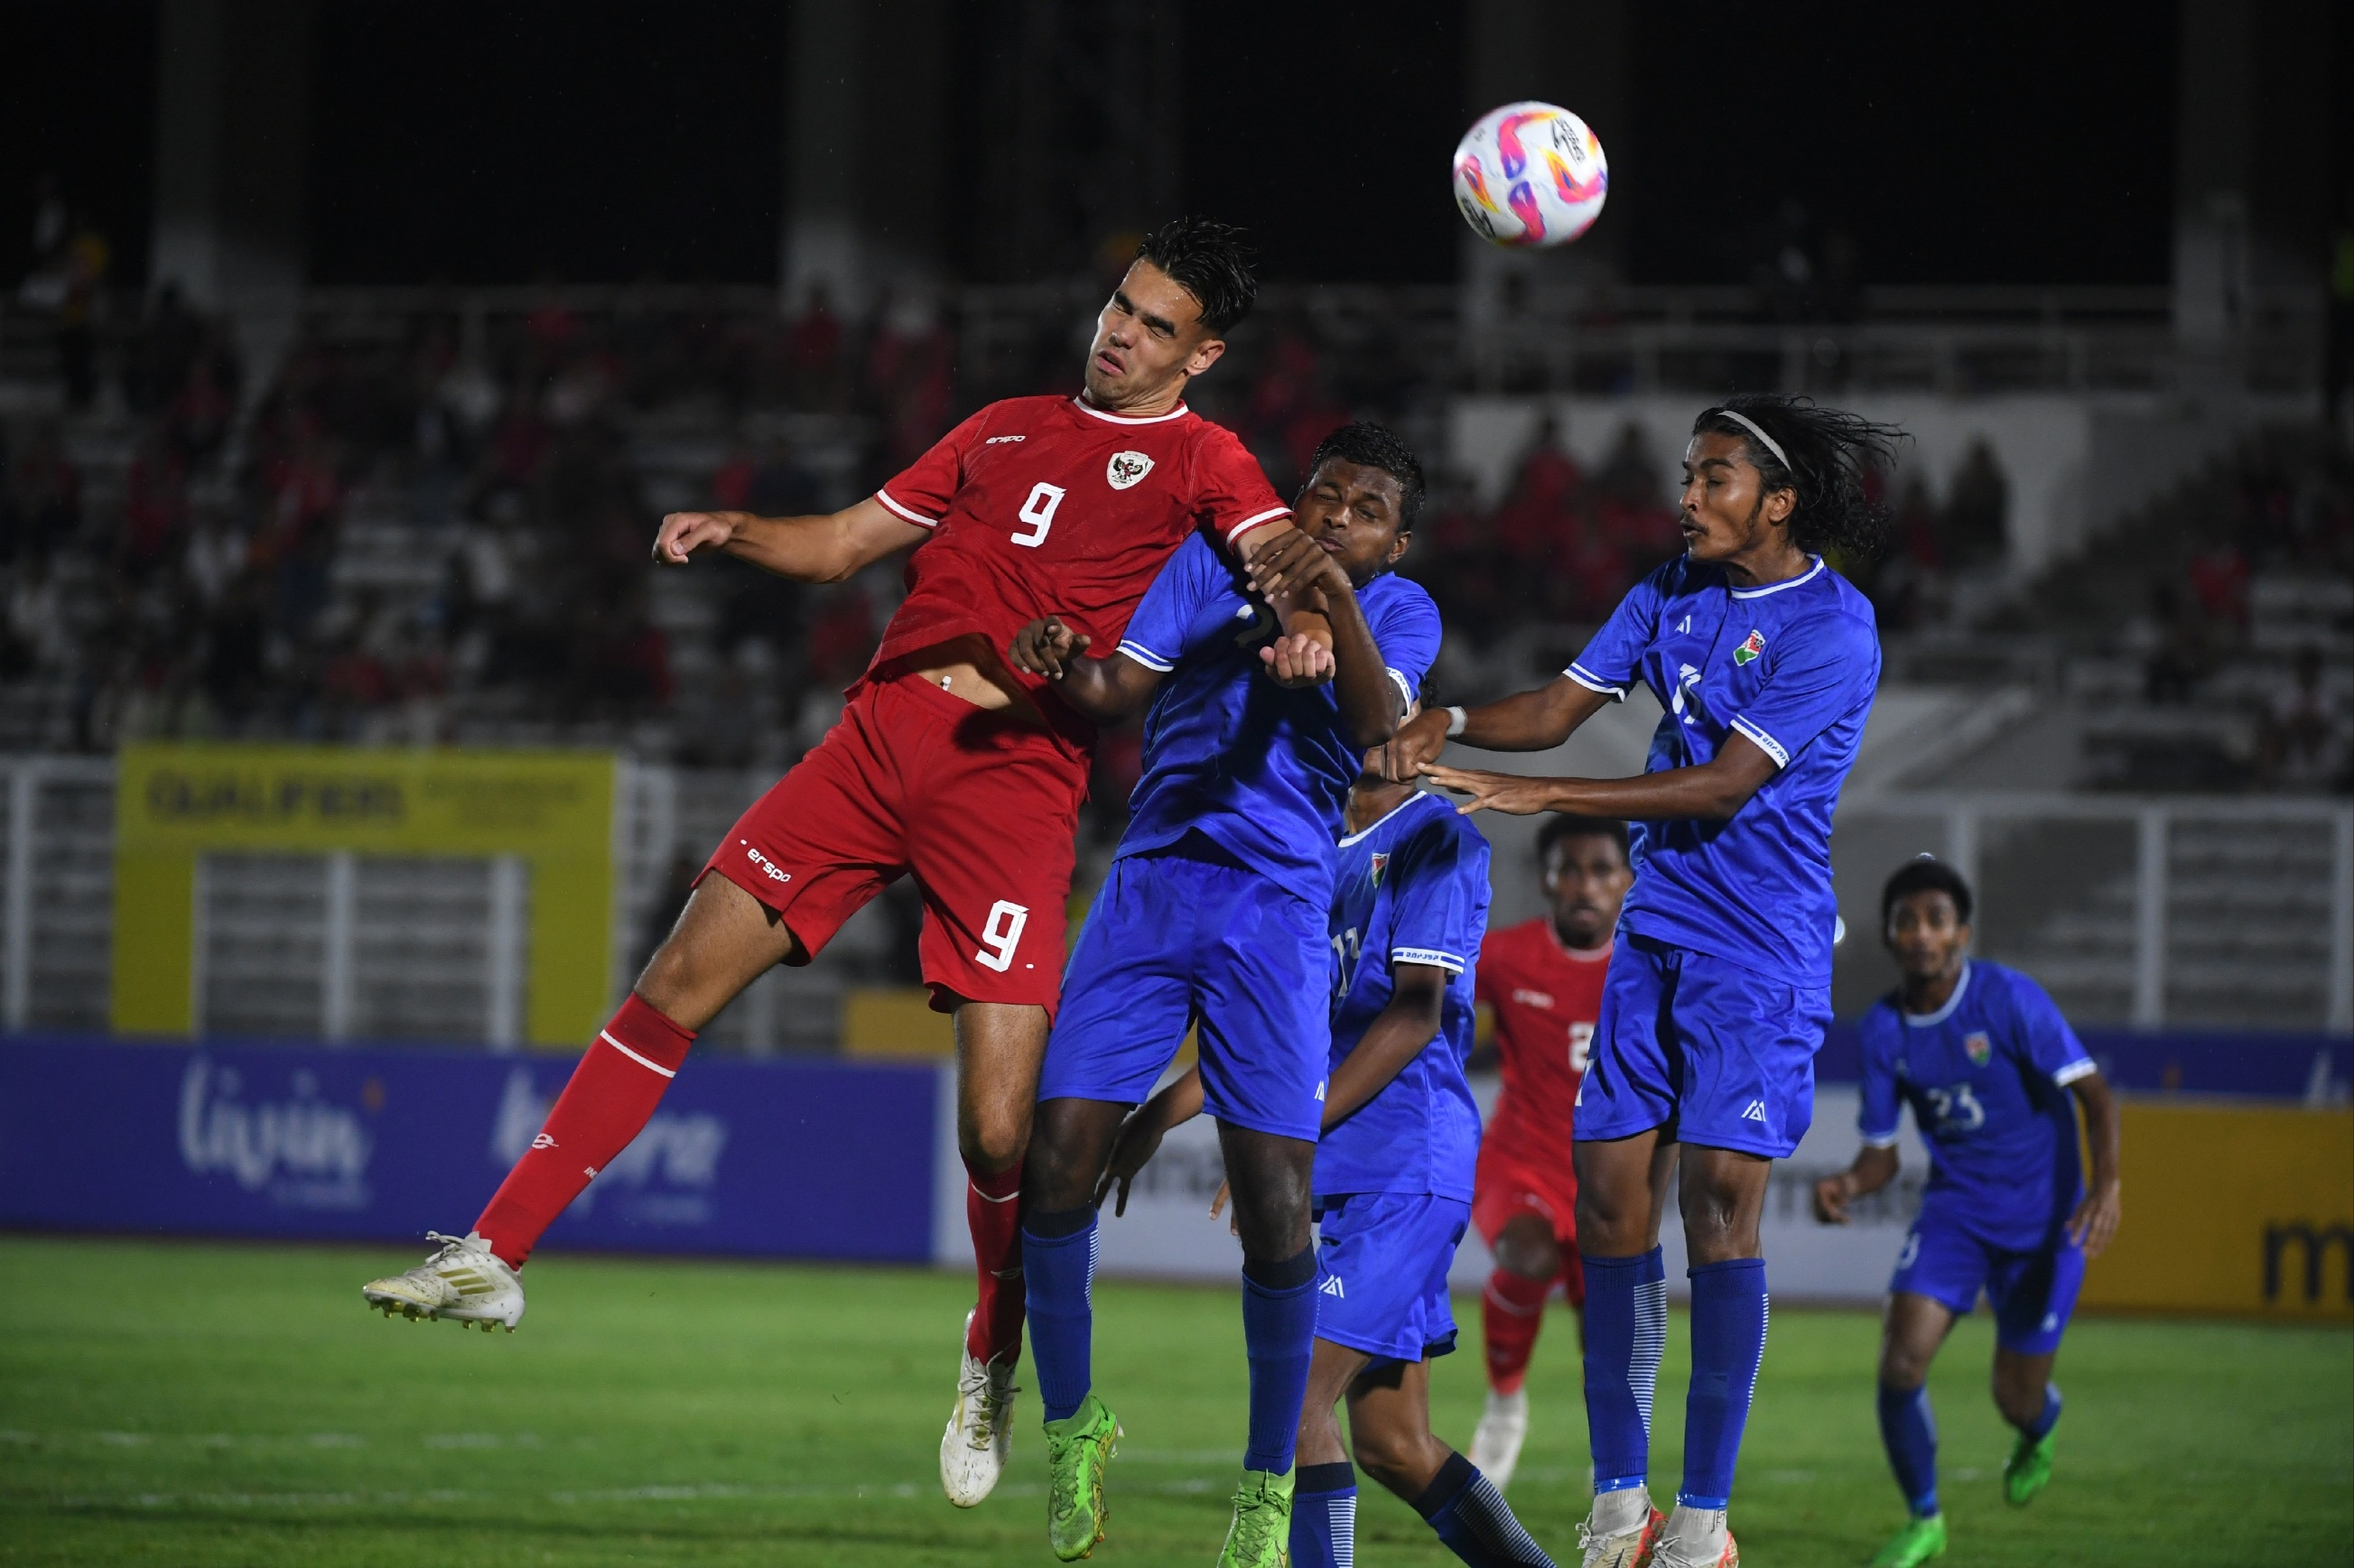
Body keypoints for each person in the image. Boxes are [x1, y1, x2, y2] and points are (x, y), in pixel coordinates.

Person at [358, 218, 1314, 1511]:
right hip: (878, 737)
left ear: (1197, 354)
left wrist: (1306, 619)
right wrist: (732, 527)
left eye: (1151, 324)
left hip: (1013, 780)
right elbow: (839, 543)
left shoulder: (1203, 455)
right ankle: (495, 1248)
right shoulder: (998, 425)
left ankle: (989, 1351)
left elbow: (1276, 550)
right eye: (1117, 305)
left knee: (994, 1135)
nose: (1117, 330)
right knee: (677, 976)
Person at [1361, 393, 1905, 1568]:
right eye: (1685, 474)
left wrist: (1544, 794)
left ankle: (1700, 1522)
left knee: (1716, 1205)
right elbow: (1558, 709)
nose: (1686, 497)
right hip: (1652, 936)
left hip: (1756, 947)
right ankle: (1619, 1505)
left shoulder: (1831, 625)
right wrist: (1441, 724)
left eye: (1712, 478)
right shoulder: (1664, 592)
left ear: (1777, 498)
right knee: (1605, 1208)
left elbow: (1718, 784)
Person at [1004, 423, 1438, 1564]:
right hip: (1151, 886)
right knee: (1054, 1162)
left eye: (1369, 507)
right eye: (1325, 494)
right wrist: (1059, 653)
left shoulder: (1399, 613)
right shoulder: (1208, 563)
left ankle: (1263, 1484)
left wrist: (1328, 608)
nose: (1339, 512)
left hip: (1276, 914)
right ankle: (1075, 1426)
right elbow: (1113, 688)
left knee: (1274, 1206)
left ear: (1399, 539)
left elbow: (1374, 726)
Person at [1102, 763, 1563, 1568]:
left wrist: (1291, 1139)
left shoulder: (1435, 838)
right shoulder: (1315, 851)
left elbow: (1416, 1015)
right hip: (1356, 1182)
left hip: (1407, 1169)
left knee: (1293, 1398)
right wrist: (1154, 1116)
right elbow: (1271, 1031)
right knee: (1394, 1444)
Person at [1813, 858, 2122, 1568]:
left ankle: (2038, 1421)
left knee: (2012, 1396)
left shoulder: (2008, 998)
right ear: (1889, 935)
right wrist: (1847, 1185)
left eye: (1936, 920)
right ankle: (1925, 1519)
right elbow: (1882, 1155)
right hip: (1955, 1215)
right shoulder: (1884, 1029)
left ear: (1962, 932)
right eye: (1906, 921)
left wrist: (2106, 1184)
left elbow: (2095, 1094)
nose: (1921, 933)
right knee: (1899, 1361)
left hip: (2044, 1225)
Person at [1468, 813, 1635, 1489]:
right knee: (1525, 1254)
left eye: (1601, 870)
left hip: (1608, 1178)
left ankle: (1615, 1476)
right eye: (1570, 869)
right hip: (1519, 1159)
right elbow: (1425, 1004)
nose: (1584, 885)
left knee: (1603, 1329)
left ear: (1627, 879)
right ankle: (1504, 1404)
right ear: (1545, 879)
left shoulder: (1646, 967)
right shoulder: (1506, 956)